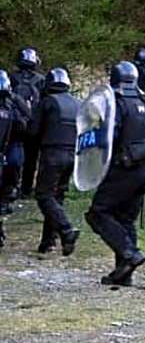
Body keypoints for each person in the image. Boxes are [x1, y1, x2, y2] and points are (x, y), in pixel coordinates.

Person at [85, 61, 145, 286]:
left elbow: (110, 137)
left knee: (98, 214)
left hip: (124, 168)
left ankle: (129, 254)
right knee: (125, 219)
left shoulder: (117, 105)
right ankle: (124, 274)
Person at [28, 68, 81, 256]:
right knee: (56, 198)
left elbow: (33, 132)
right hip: (72, 155)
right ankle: (48, 242)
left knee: (44, 195)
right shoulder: (78, 104)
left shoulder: (47, 103)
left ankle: (66, 230)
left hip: (52, 154)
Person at [9, 47, 45, 198]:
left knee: (12, 155)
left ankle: (11, 187)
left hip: (14, 123)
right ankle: (26, 188)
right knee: (31, 158)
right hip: (33, 125)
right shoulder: (41, 80)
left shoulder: (11, 77)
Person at [0, 70, 27, 244]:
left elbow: (25, 121)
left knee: (15, 163)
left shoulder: (15, 101)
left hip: (10, 144)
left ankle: (11, 192)